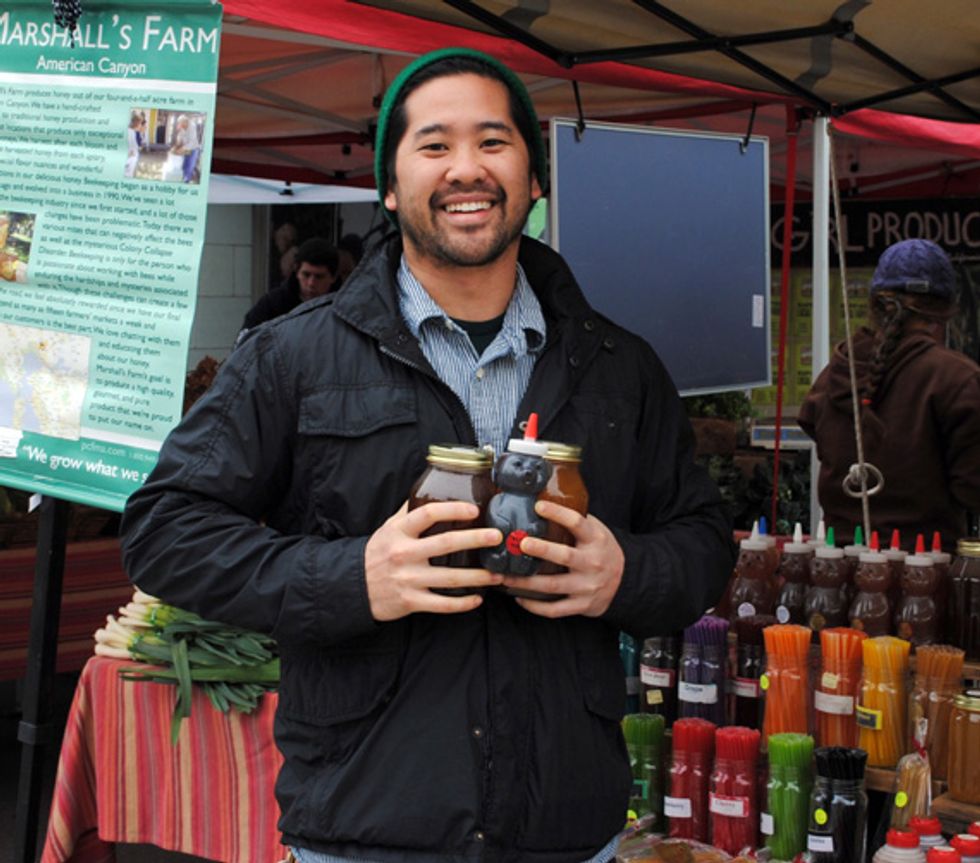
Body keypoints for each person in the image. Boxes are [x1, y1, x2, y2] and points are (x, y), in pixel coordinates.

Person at [120, 48, 734, 863]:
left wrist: (628, 574)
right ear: (389, 184)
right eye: (434, 145)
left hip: (565, 829)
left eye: (493, 141)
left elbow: (702, 538)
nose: (466, 169)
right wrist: (351, 577)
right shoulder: (294, 357)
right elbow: (164, 528)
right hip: (366, 827)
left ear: (534, 178)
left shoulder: (620, 368)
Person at [799, 238, 980, 548]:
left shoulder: (835, 373)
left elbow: (812, 423)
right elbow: (972, 489)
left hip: (831, 575)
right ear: (947, 311)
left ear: (874, 306)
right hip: (923, 578)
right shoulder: (958, 378)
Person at [239, 237, 341, 334]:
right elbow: (245, 342)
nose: (311, 283)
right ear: (297, 271)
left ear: (333, 277)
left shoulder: (342, 309)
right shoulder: (273, 304)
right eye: (306, 275)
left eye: (319, 277)